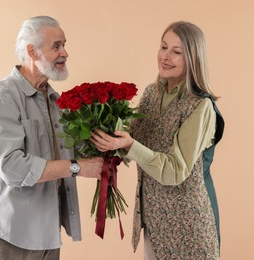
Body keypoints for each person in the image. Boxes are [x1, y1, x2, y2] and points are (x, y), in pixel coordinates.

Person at [90, 21, 225, 259]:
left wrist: (129, 145)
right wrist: (104, 131)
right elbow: (132, 143)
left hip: (188, 226)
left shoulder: (200, 106)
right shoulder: (152, 93)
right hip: (154, 221)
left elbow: (175, 169)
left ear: (193, 59)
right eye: (163, 47)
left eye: (176, 52)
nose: (166, 57)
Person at [0, 16, 103, 260]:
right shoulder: (2, 99)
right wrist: (76, 168)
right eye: (56, 46)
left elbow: (74, 147)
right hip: (13, 234)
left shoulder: (55, 101)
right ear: (31, 52)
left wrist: (110, 133)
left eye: (65, 45)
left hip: (48, 232)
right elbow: (12, 167)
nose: (65, 52)